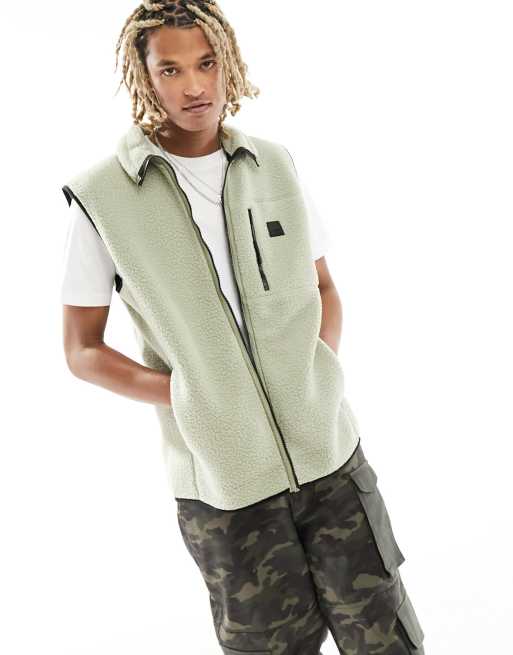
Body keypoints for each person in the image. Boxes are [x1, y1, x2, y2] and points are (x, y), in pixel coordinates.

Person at [61, 2, 426, 653]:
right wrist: (188, 396)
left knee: (387, 638)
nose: (193, 86)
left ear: (228, 62)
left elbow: (322, 287)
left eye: (206, 63)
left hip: (332, 463)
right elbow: (82, 350)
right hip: (225, 491)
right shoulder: (103, 197)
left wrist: (313, 374)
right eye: (170, 69)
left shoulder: (272, 165)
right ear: (144, 75)